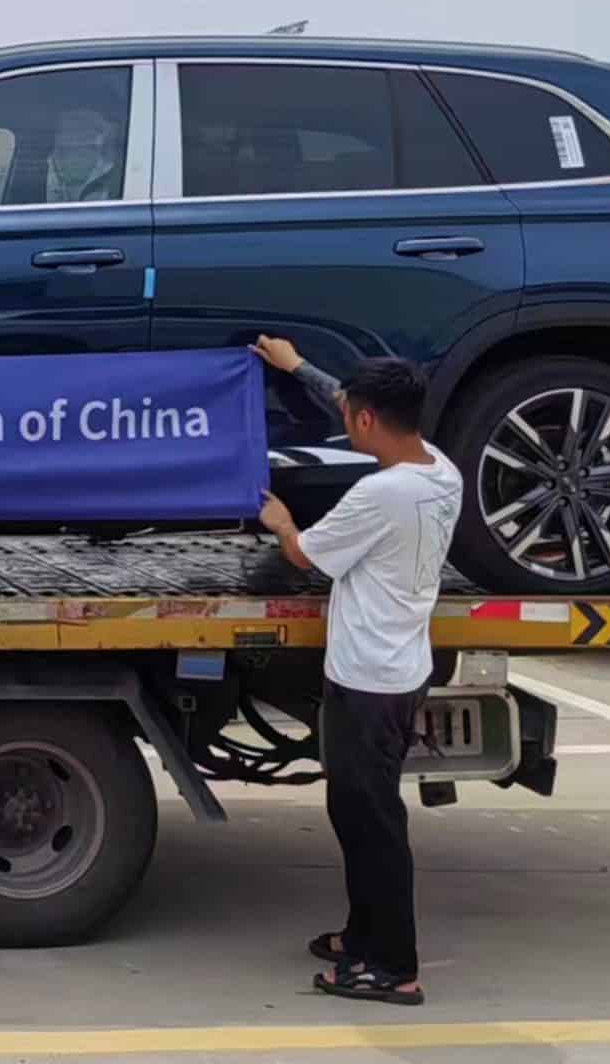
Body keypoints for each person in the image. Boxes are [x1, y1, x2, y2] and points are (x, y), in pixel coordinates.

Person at [251, 336, 461, 1007]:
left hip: (367, 681)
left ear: (368, 420)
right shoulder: (441, 471)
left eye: (350, 415)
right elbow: (349, 397)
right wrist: (296, 367)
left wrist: (281, 521)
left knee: (373, 826)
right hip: (399, 670)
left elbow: (305, 556)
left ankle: (395, 967)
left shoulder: (380, 495)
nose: (343, 420)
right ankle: (363, 935)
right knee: (357, 813)